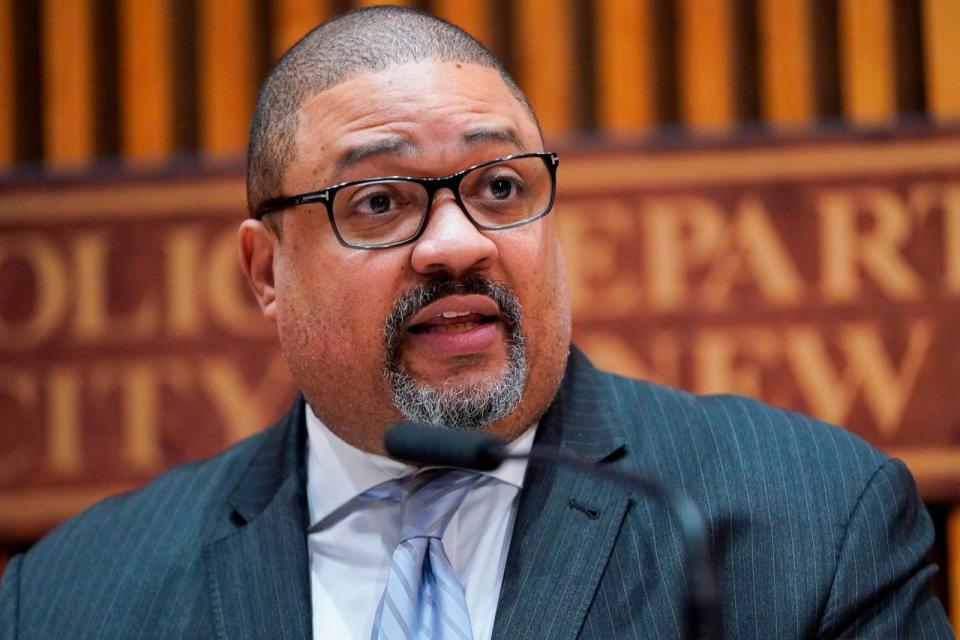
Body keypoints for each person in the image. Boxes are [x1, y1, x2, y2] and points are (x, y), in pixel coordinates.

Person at [1, 6, 954, 639]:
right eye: (377, 202)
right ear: (265, 270)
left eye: (501, 186)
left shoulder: (808, 525)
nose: (455, 244)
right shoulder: (70, 602)